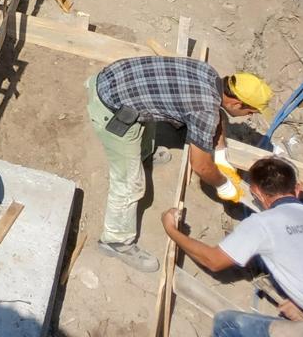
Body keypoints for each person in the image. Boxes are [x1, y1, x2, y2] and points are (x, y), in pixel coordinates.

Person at [86, 56, 272, 272]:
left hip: (114, 78)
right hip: (109, 107)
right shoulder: (203, 109)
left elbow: (217, 115)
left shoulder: (209, 74)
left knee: (148, 122)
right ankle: (115, 241)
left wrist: (220, 153)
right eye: (250, 112)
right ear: (236, 103)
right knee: (129, 185)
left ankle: (144, 155)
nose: (248, 116)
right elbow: (201, 166)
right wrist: (223, 184)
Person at [159, 156, 303, 335]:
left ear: (256, 193)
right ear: (298, 188)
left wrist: (171, 230)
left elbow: (213, 260)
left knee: (227, 324)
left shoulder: (263, 224)